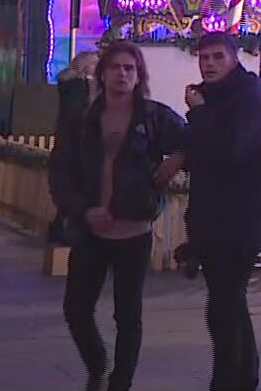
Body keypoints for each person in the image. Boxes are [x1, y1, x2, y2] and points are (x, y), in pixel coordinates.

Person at [49, 41, 187, 391]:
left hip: (133, 231)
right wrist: (82, 210)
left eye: (130, 68)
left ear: (139, 75)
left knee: (128, 316)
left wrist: (177, 158)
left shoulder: (154, 117)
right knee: (76, 310)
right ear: (103, 73)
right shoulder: (82, 121)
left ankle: (120, 383)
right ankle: (97, 364)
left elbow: (196, 139)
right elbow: (61, 174)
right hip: (91, 231)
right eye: (116, 68)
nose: (122, 74)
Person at [185, 32, 261, 391]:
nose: (208, 64)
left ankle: (228, 380)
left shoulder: (249, 100)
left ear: (234, 59)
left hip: (239, 220)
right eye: (204, 57)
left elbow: (232, 150)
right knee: (229, 304)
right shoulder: (212, 98)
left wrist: (201, 114)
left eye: (216, 58)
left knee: (224, 306)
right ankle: (241, 377)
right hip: (215, 217)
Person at [57, 50, 101, 128]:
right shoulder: (76, 84)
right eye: (94, 63)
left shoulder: (78, 82)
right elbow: (76, 110)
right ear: (83, 65)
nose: (98, 67)